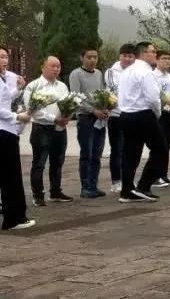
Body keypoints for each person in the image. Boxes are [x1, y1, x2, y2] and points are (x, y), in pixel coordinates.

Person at [117, 42, 168, 203]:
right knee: (161, 149)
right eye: (153, 51)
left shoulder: (126, 71)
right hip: (142, 114)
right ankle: (143, 186)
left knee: (130, 154)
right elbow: (153, 98)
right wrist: (157, 114)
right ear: (143, 53)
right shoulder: (146, 72)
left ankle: (127, 191)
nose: (155, 54)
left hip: (126, 115)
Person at [24, 56, 72, 206]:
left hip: (60, 128)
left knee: (57, 161)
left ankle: (55, 191)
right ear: (43, 67)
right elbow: (32, 110)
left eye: (58, 66)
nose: (56, 69)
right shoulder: (33, 86)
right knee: (39, 163)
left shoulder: (62, 86)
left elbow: (68, 104)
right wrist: (54, 119)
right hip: (42, 128)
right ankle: (38, 195)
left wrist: (67, 116)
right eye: (53, 66)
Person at [0, 46, 35, 230]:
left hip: (8, 130)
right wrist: (17, 116)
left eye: (5, 57)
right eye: (0, 57)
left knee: (9, 175)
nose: (4, 60)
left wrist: (19, 89)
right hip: (3, 131)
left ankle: (14, 216)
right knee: (11, 176)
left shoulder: (4, 78)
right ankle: (14, 218)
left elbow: (4, 99)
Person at [68, 48, 109, 198]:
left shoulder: (98, 73)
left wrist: (105, 107)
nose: (92, 60)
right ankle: (85, 187)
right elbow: (75, 97)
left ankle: (93, 185)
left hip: (99, 118)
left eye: (95, 57)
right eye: (89, 57)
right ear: (82, 58)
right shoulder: (76, 74)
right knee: (87, 153)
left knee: (97, 154)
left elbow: (102, 93)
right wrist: (92, 110)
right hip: (86, 118)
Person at [106, 43, 136, 192]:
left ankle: (128, 180)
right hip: (116, 115)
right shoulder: (111, 71)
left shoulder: (137, 71)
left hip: (132, 115)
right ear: (120, 56)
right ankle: (116, 181)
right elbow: (114, 90)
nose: (127, 59)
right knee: (117, 150)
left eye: (130, 56)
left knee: (130, 150)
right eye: (125, 56)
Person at [152, 50, 170, 188]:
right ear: (157, 60)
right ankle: (154, 176)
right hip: (158, 113)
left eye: (169, 58)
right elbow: (156, 94)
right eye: (164, 58)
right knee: (158, 145)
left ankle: (163, 174)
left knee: (167, 145)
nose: (167, 61)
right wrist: (166, 102)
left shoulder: (169, 77)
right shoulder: (153, 75)